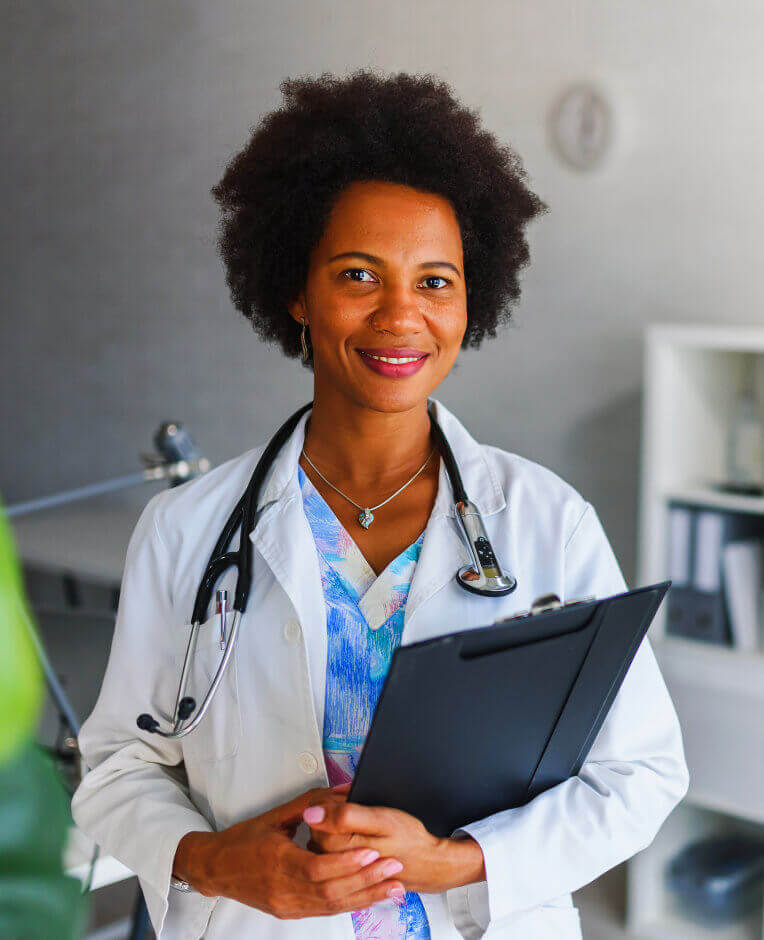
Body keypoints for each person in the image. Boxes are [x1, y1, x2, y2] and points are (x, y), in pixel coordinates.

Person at [71, 69, 689, 940]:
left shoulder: (546, 522)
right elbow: (116, 765)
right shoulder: (187, 529)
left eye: (436, 281)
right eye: (359, 274)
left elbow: (642, 774)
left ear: (473, 299)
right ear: (297, 290)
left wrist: (463, 863)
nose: (402, 315)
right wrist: (217, 864)